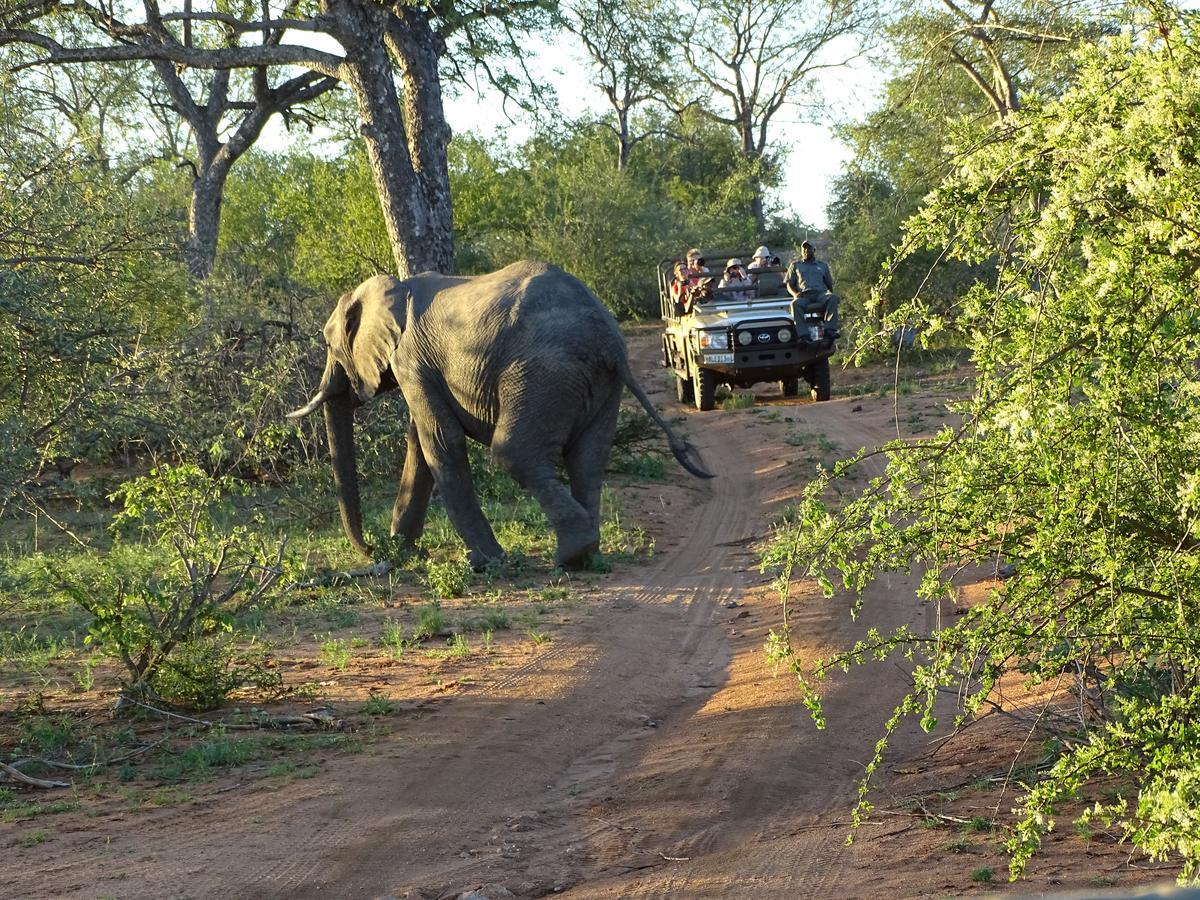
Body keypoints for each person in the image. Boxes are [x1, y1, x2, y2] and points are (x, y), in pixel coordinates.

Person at [784, 240, 839, 334]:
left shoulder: (823, 265)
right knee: (795, 304)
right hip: (804, 295)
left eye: (808, 248)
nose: (806, 250)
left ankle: (830, 329)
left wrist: (829, 293)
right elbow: (789, 284)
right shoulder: (795, 265)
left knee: (833, 298)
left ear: (814, 250)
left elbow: (829, 285)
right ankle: (803, 334)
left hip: (820, 294)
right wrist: (795, 294)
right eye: (803, 248)